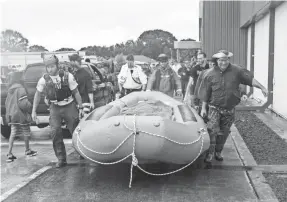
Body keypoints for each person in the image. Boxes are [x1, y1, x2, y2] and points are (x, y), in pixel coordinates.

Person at [198, 50, 268, 164]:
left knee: (224, 132)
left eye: (225, 60)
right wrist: (203, 108)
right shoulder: (209, 74)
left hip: (229, 109)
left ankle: (218, 152)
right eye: (221, 60)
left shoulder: (237, 71)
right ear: (217, 61)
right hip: (214, 107)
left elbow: (250, 80)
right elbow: (205, 92)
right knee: (212, 130)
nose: (223, 63)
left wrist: (263, 88)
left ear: (228, 60)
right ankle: (210, 153)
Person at [31, 55, 84, 168]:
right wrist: (33, 111)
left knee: (75, 130)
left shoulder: (68, 76)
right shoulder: (43, 80)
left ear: (57, 65)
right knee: (55, 132)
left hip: (69, 105)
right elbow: (37, 94)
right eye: (48, 67)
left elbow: (76, 92)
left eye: (52, 66)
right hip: (54, 107)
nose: (50, 69)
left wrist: (80, 107)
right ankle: (61, 159)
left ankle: (82, 152)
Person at [5, 72, 37, 162]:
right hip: (21, 115)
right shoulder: (21, 89)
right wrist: (30, 106)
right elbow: (23, 103)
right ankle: (27, 150)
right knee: (26, 132)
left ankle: (9, 153)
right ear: (20, 78)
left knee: (13, 133)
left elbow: (6, 103)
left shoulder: (10, 90)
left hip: (12, 115)